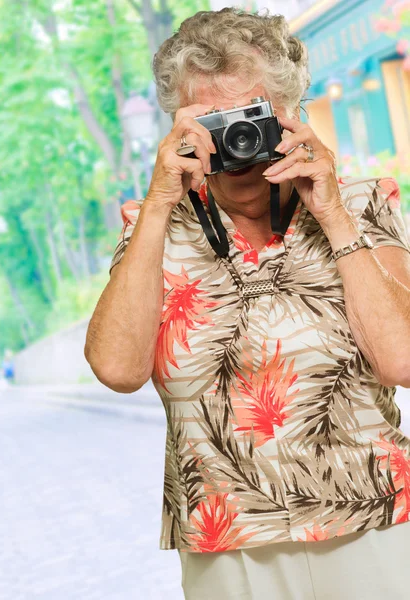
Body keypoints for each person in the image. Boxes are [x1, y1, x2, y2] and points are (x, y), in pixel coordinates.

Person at [85, 7, 410, 600]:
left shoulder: (359, 204)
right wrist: (157, 204)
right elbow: (116, 369)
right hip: (226, 543)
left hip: (376, 525)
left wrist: (333, 215)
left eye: (250, 117)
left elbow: (405, 361)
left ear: (288, 114)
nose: (234, 143)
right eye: (210, 122)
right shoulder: (153, 227)